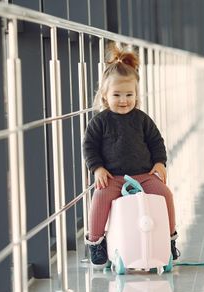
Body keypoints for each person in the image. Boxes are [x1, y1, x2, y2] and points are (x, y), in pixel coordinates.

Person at [83, 43, 180, 265]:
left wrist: (159, 163)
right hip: (113, 178)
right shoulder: (100, 122)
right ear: (105, 96)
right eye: (117, 94)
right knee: (99, 199)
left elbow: (156, 142)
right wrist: (97, 168)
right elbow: (89, 147)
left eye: (129, 94)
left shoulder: (142, 119)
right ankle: (96, 242)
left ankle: (169, 239)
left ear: (136, 95)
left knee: (165, 194)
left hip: (143, 175)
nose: (124, 100)